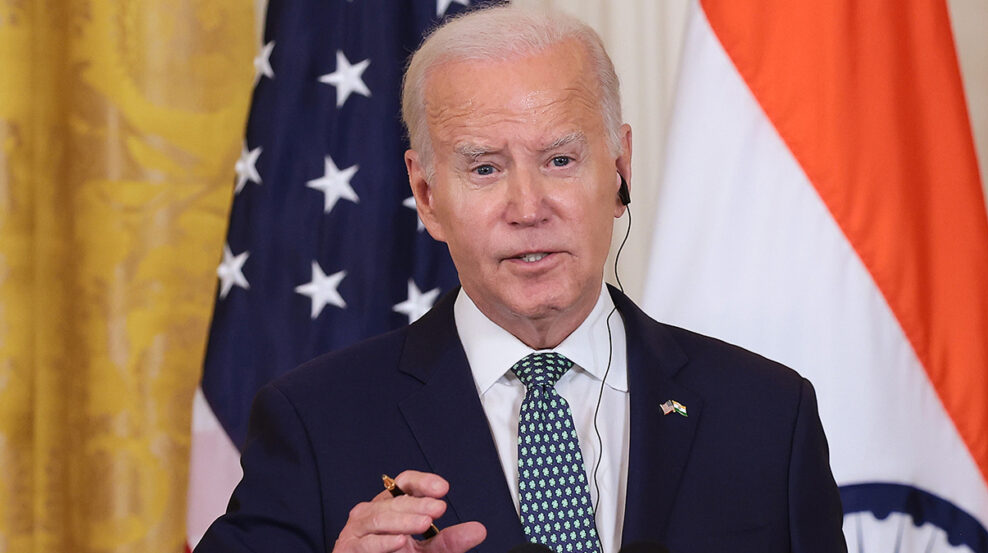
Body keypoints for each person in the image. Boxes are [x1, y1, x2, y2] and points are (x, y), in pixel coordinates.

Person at [195, 5, 846, 553]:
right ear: (426, 194)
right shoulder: (316, 422)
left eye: (560, 159)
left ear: (619, 168)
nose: (528, 206)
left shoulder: (767, 414)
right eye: (484, 168)